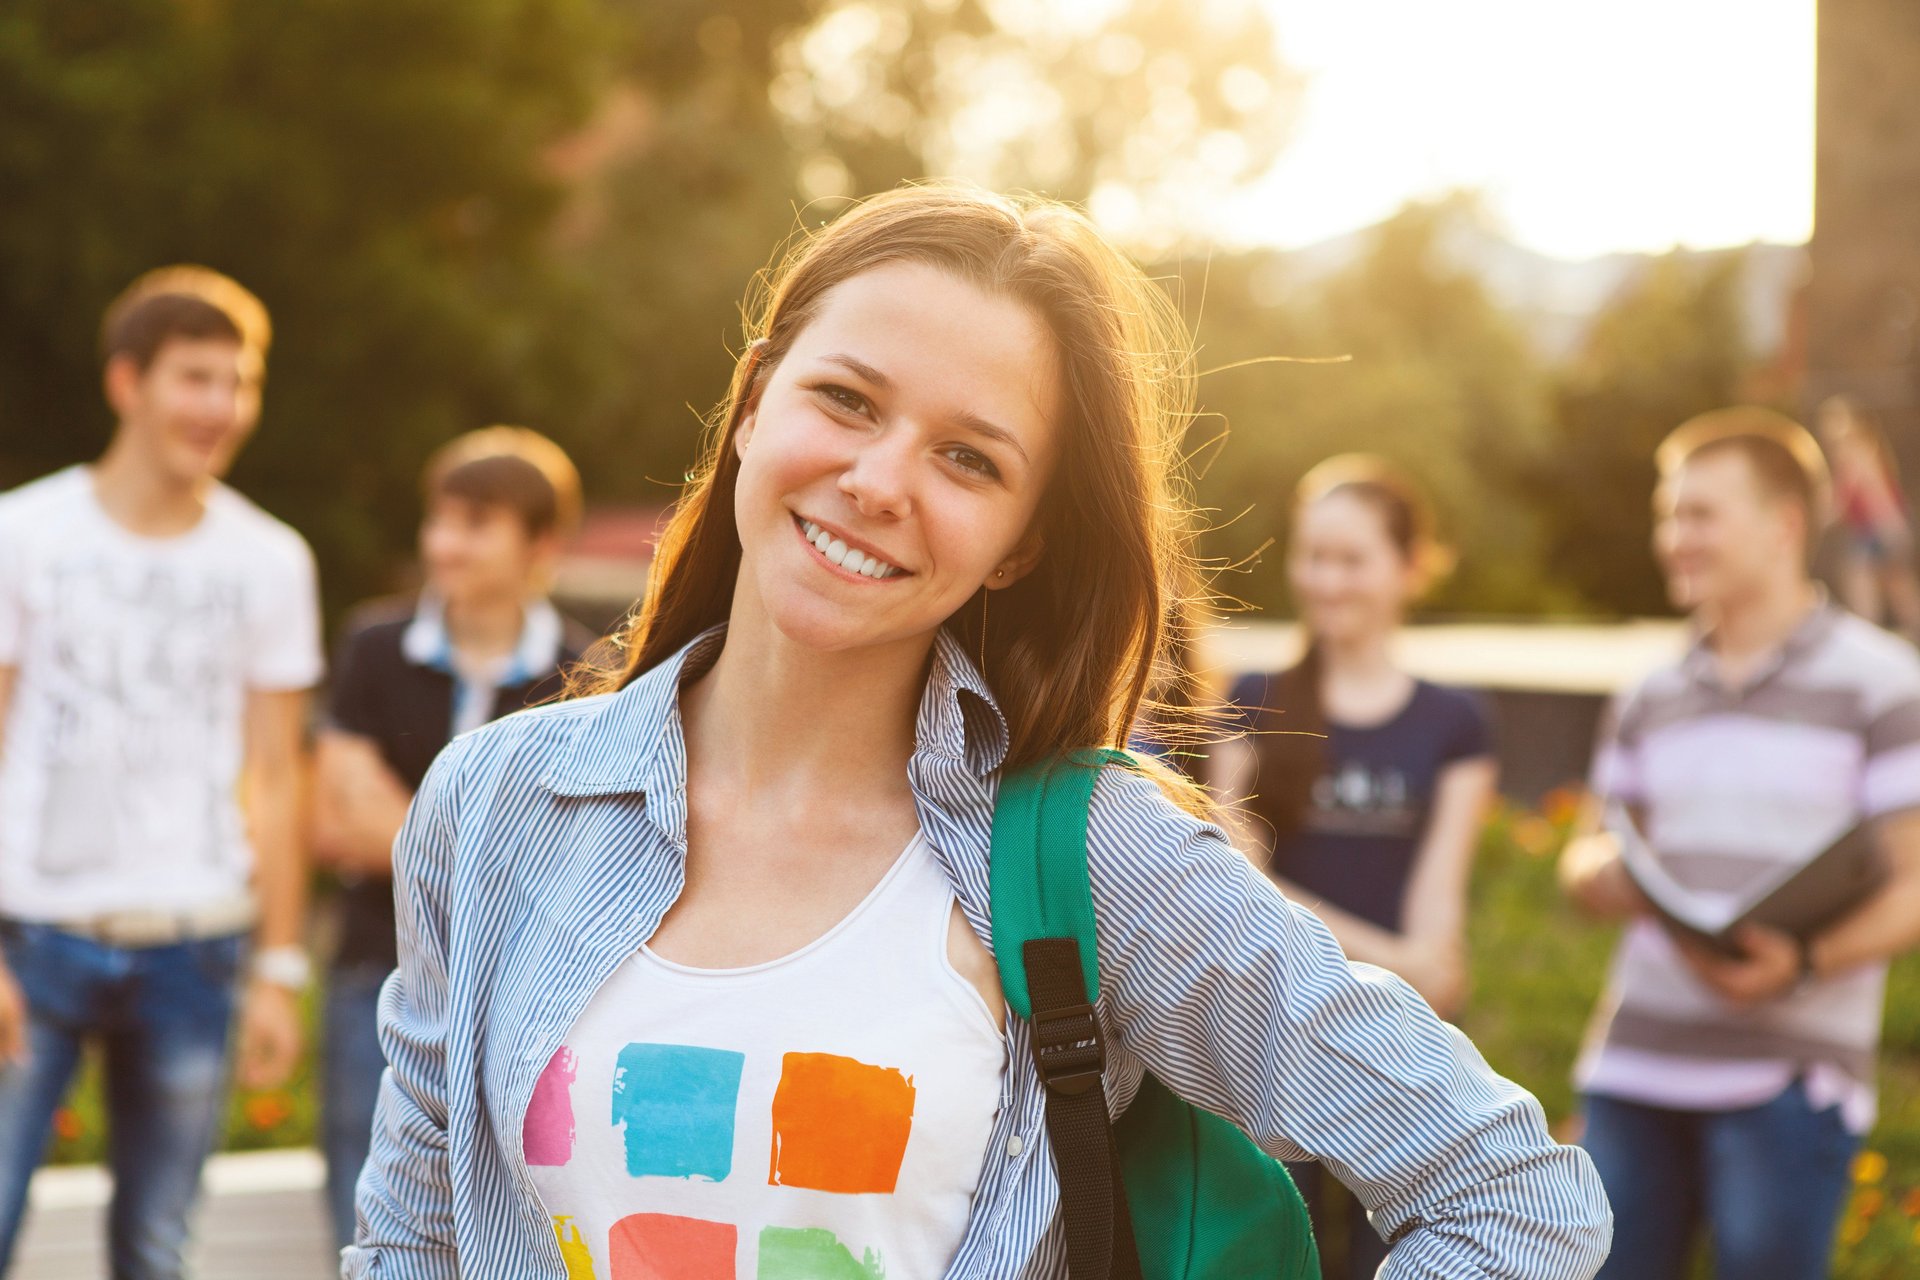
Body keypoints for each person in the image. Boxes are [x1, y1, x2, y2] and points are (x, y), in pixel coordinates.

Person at [345, 185, 1609, 1279]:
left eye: (968, 458)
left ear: (1025, 544)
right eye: (845, 399)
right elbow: (414, 1241)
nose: (881, 480)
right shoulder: (497, 802)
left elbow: (1511, 1191)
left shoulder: (1091, 855)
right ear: (752, 400)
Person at [0, 266, 322, 1278]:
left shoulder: (271, 559)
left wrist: (277, 966)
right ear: (126, 381)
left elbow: (279, 771)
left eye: (240, 381)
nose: (221, 406)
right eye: (195, 377)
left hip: (195, 946)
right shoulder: (24, 533)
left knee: (156, 1246)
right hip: (33, 934)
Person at [1559, 407, 1920, 1280]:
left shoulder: (1881, 684)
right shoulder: (1648, 692)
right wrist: (1607, 874)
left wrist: (1800, 961)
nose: (1673, 538)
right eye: (1668, 515)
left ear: (1784, 525)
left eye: (1700, 515)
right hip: (1634, 1070)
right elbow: (1582, 857)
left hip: (1789, 1079)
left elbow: (1914, 882)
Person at [1210, 454, 1498, 1279]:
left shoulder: (1455, 721)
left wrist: (1416, 964)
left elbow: (1439, 918)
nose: (1326, 581)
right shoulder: (1256, 698)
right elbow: (1235, 885)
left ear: (1410, 568)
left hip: (1399, 1060)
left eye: (1351, 559)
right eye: (1312, 556)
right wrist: (1403, 961)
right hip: (1272, 1055)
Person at [309, 426, 596, 1249]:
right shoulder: (373, 646)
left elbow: (570, 853)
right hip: (375, 966)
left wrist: (405, 835)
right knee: (364, 1211)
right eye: (438, 521)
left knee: (501, 1216)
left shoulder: (587, 673)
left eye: (474, 524)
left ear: (540, 542)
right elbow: (338, 818)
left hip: (515, 988)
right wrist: (492, 851)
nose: (444, 543)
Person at [1816, 394, 1920, 638]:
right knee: (1898, 588)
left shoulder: (1854, 451)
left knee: (1860, 581)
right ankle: (1898, 632)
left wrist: (1819, 515)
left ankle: (1868, 635)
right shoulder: (1867, 448)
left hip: (1876, 529)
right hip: (1883, 527)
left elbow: (1853, 496)